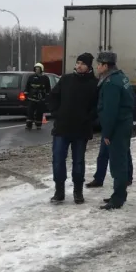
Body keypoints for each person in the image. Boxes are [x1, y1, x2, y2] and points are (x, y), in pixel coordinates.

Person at [46, 53, 99, 204]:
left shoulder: (94, 84)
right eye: (78, 63)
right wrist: (56, 112)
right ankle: (59, 191)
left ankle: (78, 192)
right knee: (58, 160)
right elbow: (53, 97)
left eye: (83, 64)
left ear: (89, 66)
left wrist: (88, 118)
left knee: (78, 162)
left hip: (81, 130)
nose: (79, 66)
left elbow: (97, 106)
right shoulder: (66, 79)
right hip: (62, 128)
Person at [95, 51, 134, 210]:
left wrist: (107, 133)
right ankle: (118, 194)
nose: (97, 67)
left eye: (98, 64)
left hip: (117, 127)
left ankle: (118, 198)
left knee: (118, 164)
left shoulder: (110, 83)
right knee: (123, 159)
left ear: (105, 66)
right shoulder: (121, 77)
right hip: (125, 123)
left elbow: (110, 111)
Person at [25, 63, 52, 130]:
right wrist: (26, 92)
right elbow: (27, 86)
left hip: (41, 98)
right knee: (30, 112)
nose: (37, 70)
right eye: (36, 68)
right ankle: (29, 125)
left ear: (41, 69)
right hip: (32, 97)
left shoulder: (45, 78)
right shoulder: (31, 77)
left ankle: (38, 124)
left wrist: (48, 95)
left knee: (40, 112)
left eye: (38, 68)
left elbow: (48, 88)